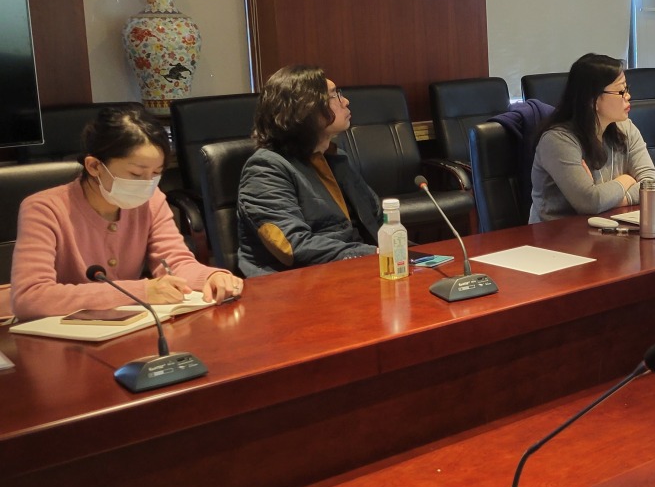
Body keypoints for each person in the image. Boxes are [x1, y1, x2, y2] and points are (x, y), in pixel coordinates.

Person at [10, 105, 241, 320]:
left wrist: (210, 277)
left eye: (156, 173)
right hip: (61, 334)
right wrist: (141, 291)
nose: (148, 184)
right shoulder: (44, 209)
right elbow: (30, 297)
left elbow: (174, 262)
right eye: (136, 174)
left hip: (129, 328)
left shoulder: (152, 200)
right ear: (94, 166)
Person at [237, 66, 384, 276]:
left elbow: (375, 218)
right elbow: (292, 245)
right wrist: (372, 254)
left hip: (353, 270)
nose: (345, 101)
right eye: (334, 96)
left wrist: (410, 255)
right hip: (296, 282)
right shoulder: (265, 169)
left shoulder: (335, 157)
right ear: (304, 109)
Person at [530, 54, 655, 222]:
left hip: (607, 226)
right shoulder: (557, 140)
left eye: (626, 89)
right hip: (556, 233)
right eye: (621, 91)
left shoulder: (626, 128)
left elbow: (652, 184)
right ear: (593, 100)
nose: (628, 96)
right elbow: (590, 202)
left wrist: (610, 199)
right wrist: (626, 180)